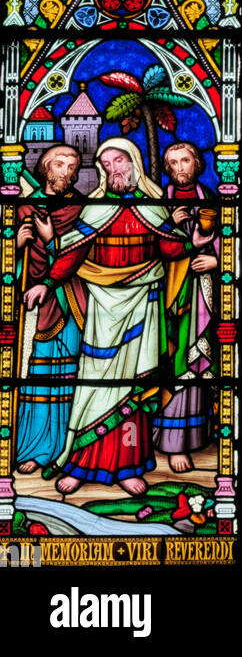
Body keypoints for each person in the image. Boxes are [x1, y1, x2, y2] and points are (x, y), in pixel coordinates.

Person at [24, 138, 189, 496]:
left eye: (120, 162)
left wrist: (191, 236)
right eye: (106, 164)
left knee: (132, 386)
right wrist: (47, 285)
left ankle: (127, 467)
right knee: (94, 386)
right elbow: (73, 255)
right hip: (101, 307)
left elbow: (171, 248)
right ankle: (82, 464)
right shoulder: (95, 209)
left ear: (134, 164)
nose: (114, 170)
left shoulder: (152, 207)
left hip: (143, 302)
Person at [15, 146, 85, 473]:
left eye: (72, 166)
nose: (66, 172)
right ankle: (35, 447)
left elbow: (78, 255)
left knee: (68, 375)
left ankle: (65, 451)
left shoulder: (83, 209)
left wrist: (51, 238)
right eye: (59, 164)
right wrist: (15, 243)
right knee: (38, 375)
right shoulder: (23, 207)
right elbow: (13, 261)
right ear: (45, 168)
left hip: (69, 300)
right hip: (30, 305)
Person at [152, 141, 219, 474]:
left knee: (192, 364)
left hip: (201, 297)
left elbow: (232, 241)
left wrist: (216, 259)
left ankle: (190, 439)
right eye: (173, 162)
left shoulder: (216, 202)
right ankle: (166, 440)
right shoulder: (157, 201)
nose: (180, 168)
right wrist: (168, 223)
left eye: (185, 160)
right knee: (167, 362)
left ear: (197, 164)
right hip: (162, 296)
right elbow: (148, 246)